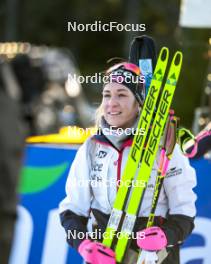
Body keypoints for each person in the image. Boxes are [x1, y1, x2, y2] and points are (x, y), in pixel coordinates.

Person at [59, 62, 197, 264]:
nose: (111, 103)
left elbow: (184, 212)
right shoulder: (91, 147)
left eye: (122, 94)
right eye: (107, 94)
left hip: (152, 256)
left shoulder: (165, 145)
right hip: (104, 254)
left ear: (138, 102)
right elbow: (72, 211)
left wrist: (166, 236)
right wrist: (84, 245)